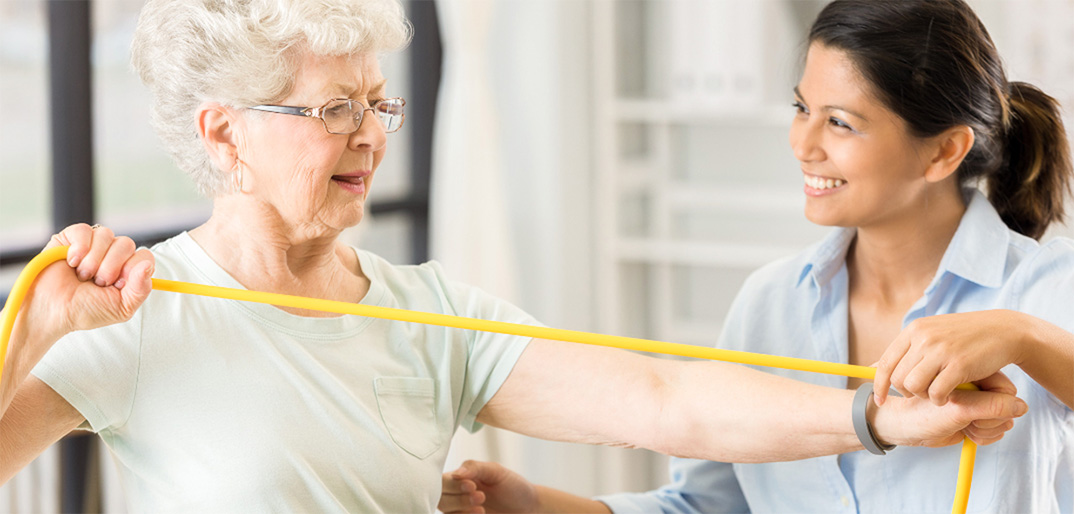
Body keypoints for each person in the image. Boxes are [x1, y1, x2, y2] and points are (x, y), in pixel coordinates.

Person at [0, 0, 1029, 511]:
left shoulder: (428, 310)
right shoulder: (135, 312)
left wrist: (872, 415)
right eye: (334, 109)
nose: (372, 135)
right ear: (223, 133)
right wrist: (33, 336)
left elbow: (664, 399)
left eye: (379, 103)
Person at [439, 0, 1074, 513]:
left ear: (942, 152)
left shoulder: (1044, 290)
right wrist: (538, 507)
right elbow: (705, 505)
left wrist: (1021, 336)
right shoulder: (772, 302)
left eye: (841, 123)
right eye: (802, 108)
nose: (802, 143)